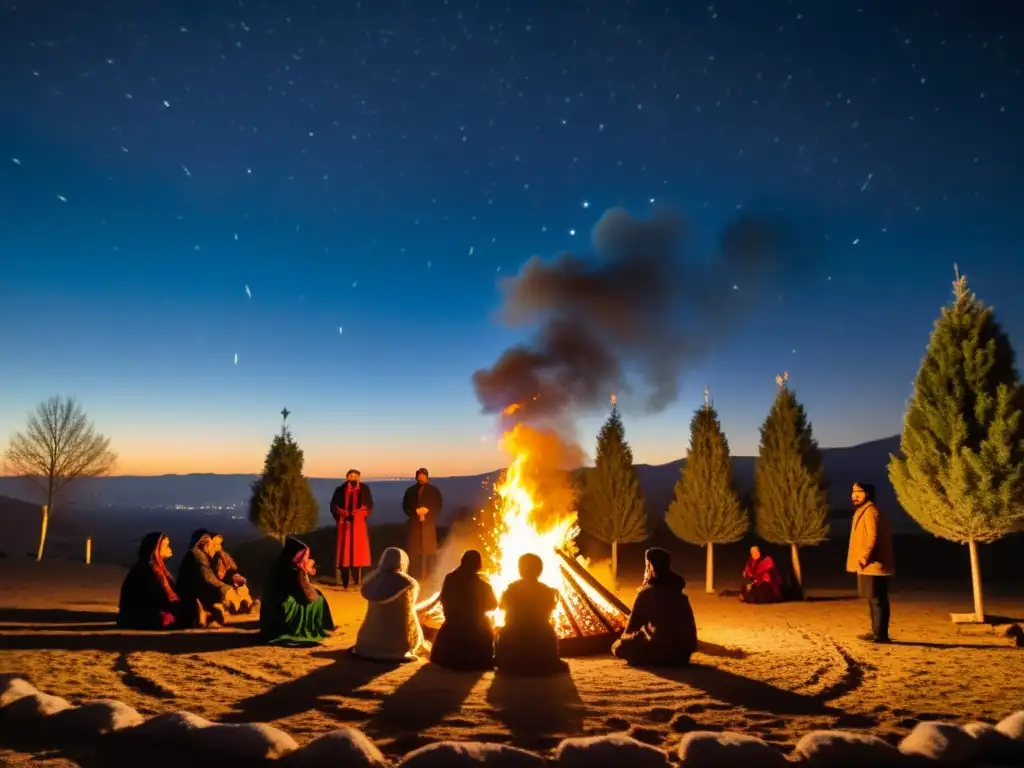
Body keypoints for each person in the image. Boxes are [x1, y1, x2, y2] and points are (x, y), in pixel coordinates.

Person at [612, 547, 698, 667]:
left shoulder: (646, 594)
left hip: (660, 654)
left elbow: (630, 630)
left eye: (646, 565)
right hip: (683, 655)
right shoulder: (679, 593)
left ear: (650, 566)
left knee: (618, 645)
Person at [494, 553, 568, 676]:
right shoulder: (546, 590)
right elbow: (551, 607)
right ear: (540, 570)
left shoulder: (511, 588)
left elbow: (501, 606)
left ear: (520, 570)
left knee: (500, 632)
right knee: (550, 631)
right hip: (540, 635)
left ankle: (505, 660)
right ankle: (549, 661)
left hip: (513, 635)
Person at [430, 549, 498, 671]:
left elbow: (444, 599)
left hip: (452, 628)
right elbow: (493, 605)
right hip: (475, 630)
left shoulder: (450, 578)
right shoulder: (482, 585)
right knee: (487, 625)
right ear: (478, 565)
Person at [352, 547, 424, 662]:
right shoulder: (408, 583)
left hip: (369, 640)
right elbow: (409, 610)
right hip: (396, 640)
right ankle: (401, 646)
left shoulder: (372, 579)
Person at [260, 537, 336, 645]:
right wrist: (316, 595)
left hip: (272, 609)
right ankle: (317, 627)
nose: (307, 558)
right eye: (305, 556)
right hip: (282, 608)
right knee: (319, 599)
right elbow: (306, 596)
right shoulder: (294, 570)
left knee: (316, 594)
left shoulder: (279, 564)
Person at [847, 481, 895, 643]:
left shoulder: (871, 511)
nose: (854, 495)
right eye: (853, 492)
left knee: (877, 599)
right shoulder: (863, 511)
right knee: (872, 598)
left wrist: (863, 558)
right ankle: (876, 632)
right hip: (868, 565)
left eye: (859, 491)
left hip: (874, 564)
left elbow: (872, 537)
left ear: (867, 493)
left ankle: (881, 635)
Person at [118, 532, 194, 630]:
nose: (169, 549)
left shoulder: (158, 568)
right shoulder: (147, 569)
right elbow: (157, 598)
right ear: (156, 548)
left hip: (149, 610)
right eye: (166, 546)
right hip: (137, 615)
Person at [177, 531, 247, 626]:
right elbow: (208, 577)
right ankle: (202, 612)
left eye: (218, 545)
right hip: (191, 597)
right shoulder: (198, 556)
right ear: (205, 545)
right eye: (213, 545)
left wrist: (234, 578)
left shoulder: (206, 556)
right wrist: (226, 589)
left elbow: (228, 572)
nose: (216, 548)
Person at [330, 469, 373, 589]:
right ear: (347, 477)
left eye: (355, 476)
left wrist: (360, 512)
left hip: (358, 524)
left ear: (359, 478)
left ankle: (357, 580)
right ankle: (343, 581)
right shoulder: (340, 490)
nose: (353, 478)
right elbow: (334, 506)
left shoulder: (364, 489)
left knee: (357, 553)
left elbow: (369, 506)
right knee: (344, 551)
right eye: (351, 476)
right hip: (345, 525)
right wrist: (342, 513)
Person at [402, 467, 443, 580]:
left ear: (427, 477)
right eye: (419, 475)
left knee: (429, 552)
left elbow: (438, 505)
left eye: (423, 475)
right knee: (415, 552)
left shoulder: (434, 491)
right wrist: (415, 512)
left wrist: (427, 511)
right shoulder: (410, 491)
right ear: (416, 477)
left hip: (428, 525)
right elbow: (405, 506)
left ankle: (429, 576)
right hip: (414, 525)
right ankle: (415, 575)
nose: (421, 477)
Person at [202, 531, 256, 615]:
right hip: (217, 585)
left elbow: (233, 568)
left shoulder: (224, 555)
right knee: (229, 593)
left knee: (242, 588)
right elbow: (211, 576)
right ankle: (233, 606)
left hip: (229, 580)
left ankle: (246, 604)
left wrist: (235, 577)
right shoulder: (207, 558)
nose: (218, 547)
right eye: (215, 544)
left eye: (219, 544)